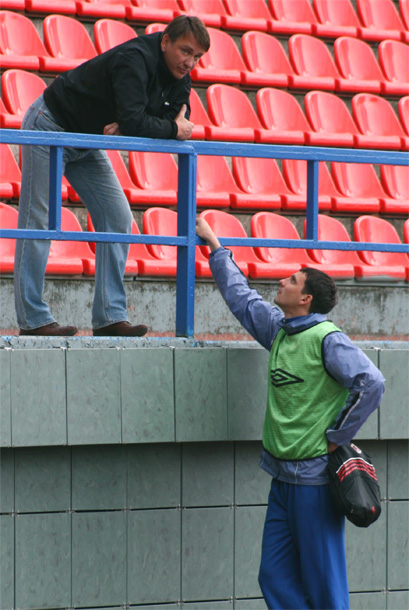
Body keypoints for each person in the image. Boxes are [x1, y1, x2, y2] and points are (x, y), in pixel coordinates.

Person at [196, 217, 385, 610]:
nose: (283, 281)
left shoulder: (327, 339)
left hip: (314, 481)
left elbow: (371, 382)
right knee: (274, 577)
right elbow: (241, 298)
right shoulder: (280, 329)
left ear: (306, 299)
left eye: (293, 280)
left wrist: (336, 435)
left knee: (324, 585)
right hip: (281, 478)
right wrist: (215, 245)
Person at [15, 15, 210, 336]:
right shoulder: (134, 59)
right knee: (39, 218)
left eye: (197, 57)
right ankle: (33, 320)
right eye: (185, 51)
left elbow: (167, 115)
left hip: (87, 139)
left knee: (118, 218)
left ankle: (108, 317)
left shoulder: (179, 75)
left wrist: (134, 121)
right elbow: (171, 124)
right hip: (50, 126)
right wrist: (154, 125)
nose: (190, 62)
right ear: (165, 42)